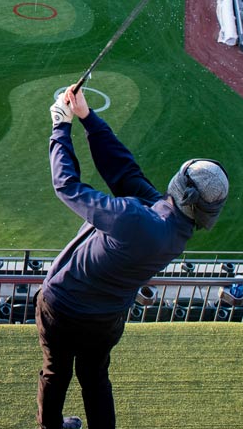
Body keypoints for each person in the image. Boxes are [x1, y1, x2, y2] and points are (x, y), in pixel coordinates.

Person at [36, 87, 229, 429]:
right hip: (107, 317)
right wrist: (87, 118)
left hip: (62, 305)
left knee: (56, 372)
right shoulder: (176, 226)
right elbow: (126, 174)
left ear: (181, 189)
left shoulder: (137, 218)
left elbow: (67, 186)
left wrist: (60, 128)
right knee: (95, 380)